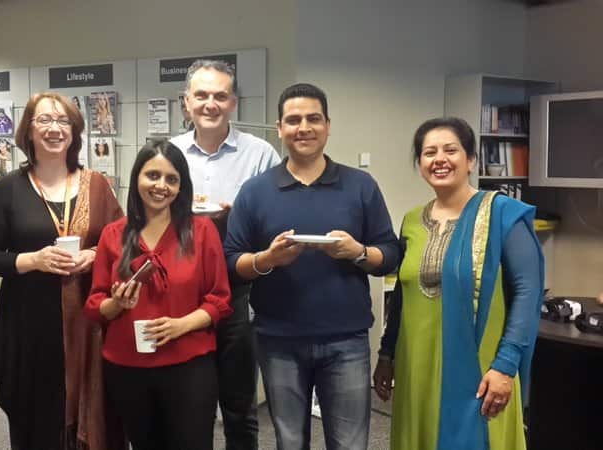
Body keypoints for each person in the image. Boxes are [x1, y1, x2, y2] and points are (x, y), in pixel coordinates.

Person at [224, 83, 401, 450]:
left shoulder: (360, 186)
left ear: (328, 125)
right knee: (289, 442)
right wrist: (267, 260)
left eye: (313, 118)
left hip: (346, 340)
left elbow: (390, 254)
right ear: (280, 127)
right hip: (278, 341)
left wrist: (356, 252)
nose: (303, 127)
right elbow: (231, 261)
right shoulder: (255, 191)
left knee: (350, 444)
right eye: (293, 120)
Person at [373, 117, 544, 450]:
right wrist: (387, 354)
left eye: (450, 150)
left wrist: (506, 365)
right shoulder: (411, 221)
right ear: (419, 164)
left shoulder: (503, 214)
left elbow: (528, 292)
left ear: (471, 160)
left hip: (480, 370)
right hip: (415, 367)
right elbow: (404, 297)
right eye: (429, 152)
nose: (439, 159)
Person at [0, 92, 125, 450]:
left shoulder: (97, 185)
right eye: (44, 120)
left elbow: (122, 242)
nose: (55, 129)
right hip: (29, 328)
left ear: (75, 132)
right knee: (35, 424)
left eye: (63, 121)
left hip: (88, 328)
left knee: (100, 417)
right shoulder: (7, 188)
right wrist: (33, 260)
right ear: (28, 130)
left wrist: (92, 254)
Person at [84, 140, 232, 450]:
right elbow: (95, 307)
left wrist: (182, 325)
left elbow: (219, 300)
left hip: (189, 366)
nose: (161, 186)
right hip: (128, 367)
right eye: (152, 175)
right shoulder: (114, 234)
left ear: (181, 186)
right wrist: (117, 304)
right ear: (137, 177)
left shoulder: (202, 231)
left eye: (171, 179)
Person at [169, 59, 280, 450]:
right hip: (181, 291)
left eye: (220, 96)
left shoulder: (261, 154)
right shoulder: (170, 152)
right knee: (187, 403)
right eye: (201, 95)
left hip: (237, 291)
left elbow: (277, 221)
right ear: (187, 102)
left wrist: (241, 220)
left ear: (233, 102)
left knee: (239, 405)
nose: (210, 104)